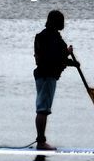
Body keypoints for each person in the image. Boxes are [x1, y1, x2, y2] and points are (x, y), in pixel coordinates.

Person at [33, 9, 79, 150]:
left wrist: (72, 63)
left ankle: (41, 141)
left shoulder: (42, 36)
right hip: (47, 76)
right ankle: (41, 142)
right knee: (43, 109)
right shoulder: (52, 38)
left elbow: (53, 58)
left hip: (42, 75)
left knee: (43, 108)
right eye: (61, 21)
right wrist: (67, 52)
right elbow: (54, 57)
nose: (63, 24)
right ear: (57, 22)